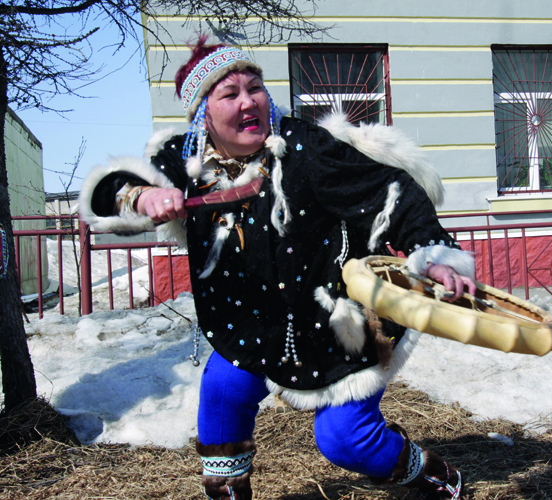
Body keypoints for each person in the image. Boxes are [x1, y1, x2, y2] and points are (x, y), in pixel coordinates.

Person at [79, 36, 476, 500]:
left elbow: (390, 191)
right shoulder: (186, 159)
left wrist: (435, 253)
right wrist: (141, 195)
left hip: (338, 320)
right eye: (230, 95)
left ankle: (434, 477)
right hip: (255, 324)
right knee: (222, 395)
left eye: (256, 87)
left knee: (345, 439)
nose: (249, 101)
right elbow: (109, 190)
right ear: (203, 115)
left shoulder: (305, 148)